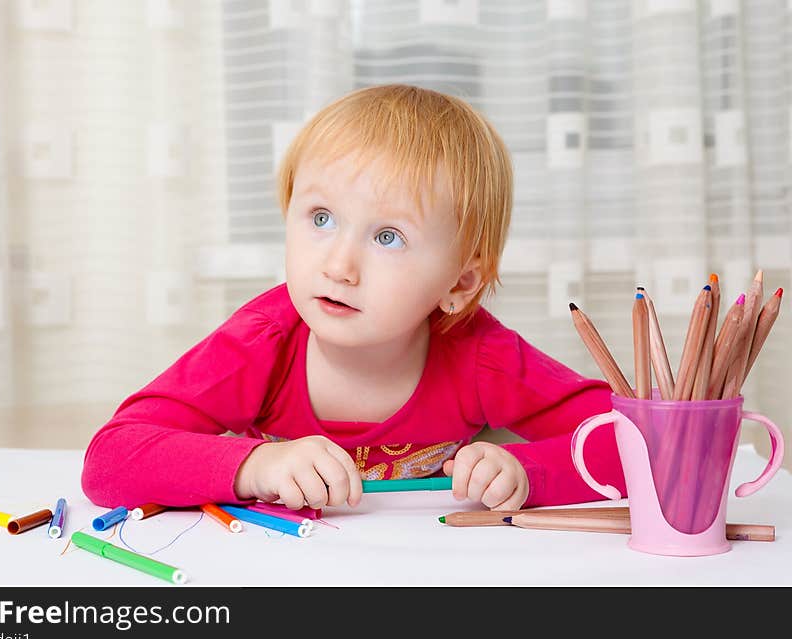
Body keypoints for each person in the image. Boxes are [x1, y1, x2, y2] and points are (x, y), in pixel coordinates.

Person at [81, 84, 625, 513]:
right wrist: (258, 466)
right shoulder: (263, 341)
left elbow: (642, 442)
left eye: (388, 237)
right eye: (321, 218)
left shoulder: (480, 354)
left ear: (459, 284)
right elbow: (110, 460)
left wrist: (529, 473)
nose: (338, 266)